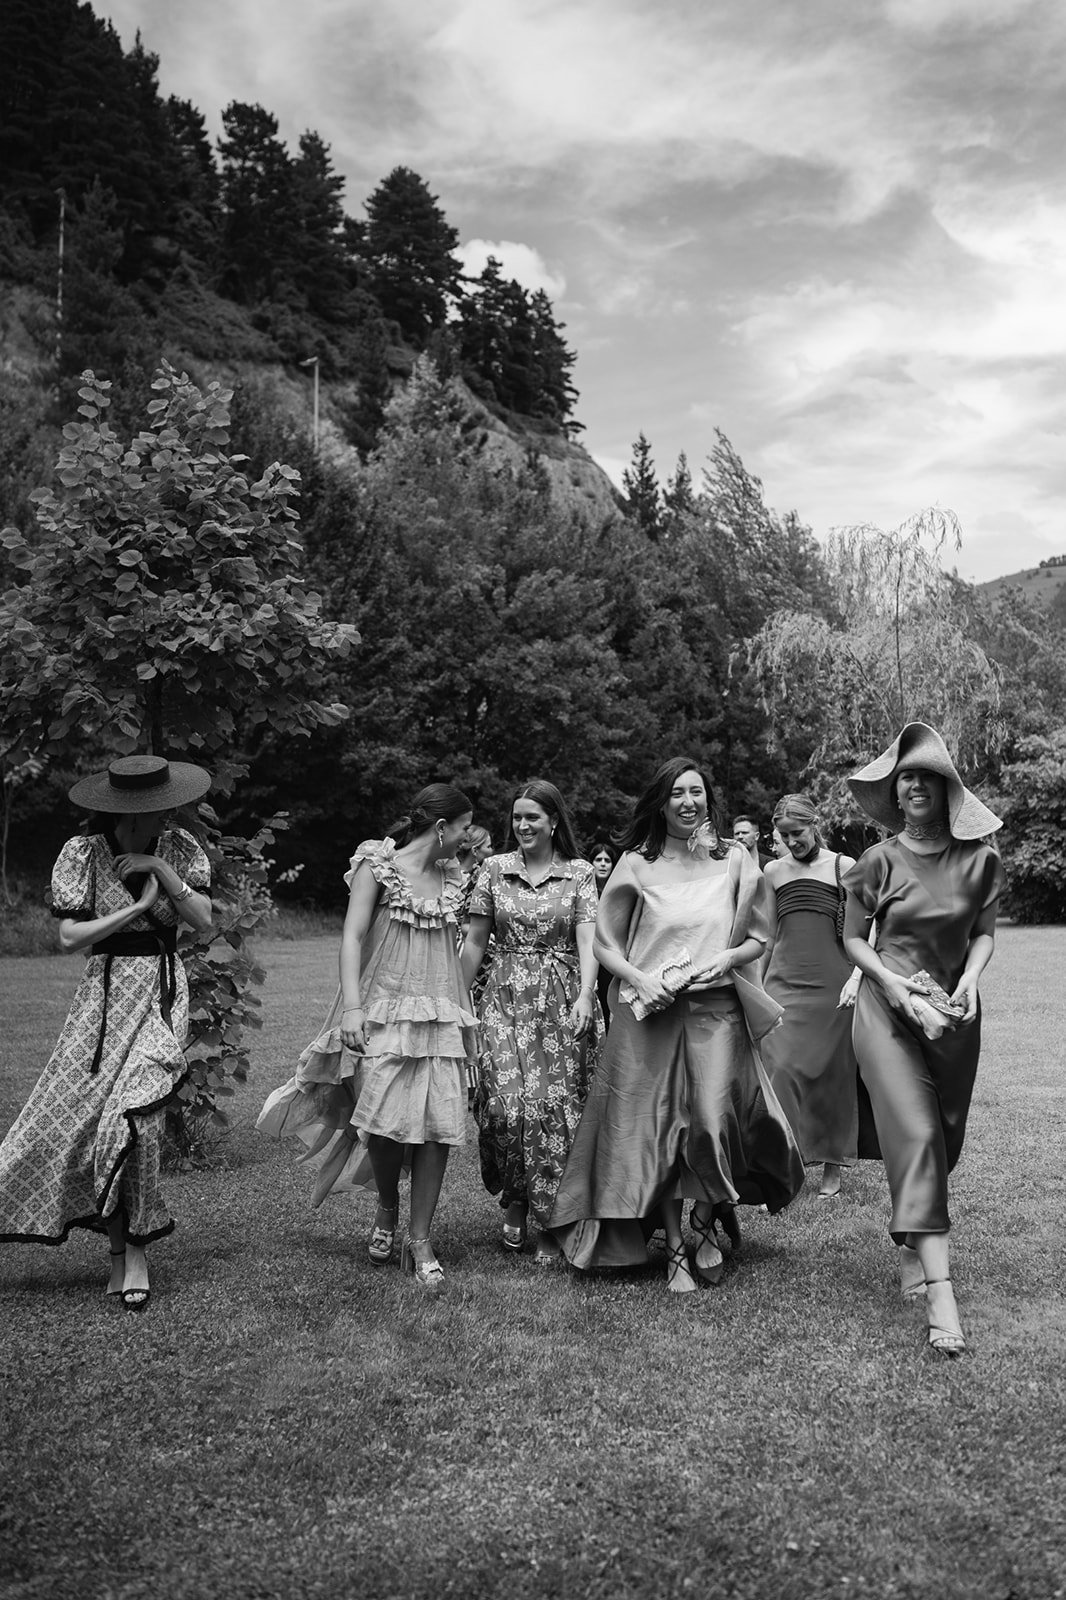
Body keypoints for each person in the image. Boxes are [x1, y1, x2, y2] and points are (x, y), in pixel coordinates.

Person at [549, 757, 804, 1292]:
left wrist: (731, 958)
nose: (689, 802)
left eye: (697, 792)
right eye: (677, 794)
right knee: (655, 1131)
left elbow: (761, 936)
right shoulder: (634, 864)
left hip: (716, 1011)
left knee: (713, 1121)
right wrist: (640, 980)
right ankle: (676, 1252)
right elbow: (604, 944)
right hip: (650, 1015)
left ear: (708, 798)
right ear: (660, 804)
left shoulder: (734, 859)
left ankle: (705, 1220)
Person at [0, 754, 213, 1311]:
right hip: (102, 999)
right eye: (153, 807)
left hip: (161, 999)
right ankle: (118, 1254)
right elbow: (71, 938)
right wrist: (138, 907)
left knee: (136, 1116)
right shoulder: (84, 853)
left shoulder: (183, 849)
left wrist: (160, 873)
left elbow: (206, 920)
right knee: (91, 1125)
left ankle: (136, 1251)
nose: (164, 813)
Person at [257, 784, 477, 1295]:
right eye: (465, 827)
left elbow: (452, 951)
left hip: (440, 1011)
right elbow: (352, 937)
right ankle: (387, 1204)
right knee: (379, 1120)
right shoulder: (377, 864)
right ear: (442, 827)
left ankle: (420, 1240)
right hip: (381, 1007)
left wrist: (464, 1016)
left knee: (439, 1125)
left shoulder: (451, 877)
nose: (468, 839)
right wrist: (353, 1008)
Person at [842, 723, 1004, 1357]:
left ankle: (913, 1237)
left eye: (923, 776)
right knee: (916, 1133)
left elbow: (984, 933)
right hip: (886, 1011)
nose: (911, 785)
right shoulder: (877, 861)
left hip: (955, 1016)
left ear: (945, 790)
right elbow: (854, 938)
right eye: (902, 776)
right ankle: (942, 1294)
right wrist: (886, 980)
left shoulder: (981, 860)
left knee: (944, 1138)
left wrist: (968, 980)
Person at [461, 781, 600, 1263]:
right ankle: (517, 1197)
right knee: (503, 1105)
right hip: (503, 996)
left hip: (562, 998)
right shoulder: (494, 870)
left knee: (553, 1108)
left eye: (532, 818)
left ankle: (550, 1218)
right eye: (517, 817)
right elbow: (476, 940)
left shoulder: (580, 873)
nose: (522, 825)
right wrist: (458, 1002)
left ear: (554, 821)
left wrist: (586, 994)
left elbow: (589, 940)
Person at [762, 794, 861, 1200]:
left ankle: (833, 1167)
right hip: (783, 981)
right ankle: (789, 1160)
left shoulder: (844, 867)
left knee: (833, 1075)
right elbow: (768, 935)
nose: (792, 841)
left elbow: (862, 932)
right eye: (784, 835)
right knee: (779, 1066)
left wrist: (856, 978)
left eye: (798, 833)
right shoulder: (772, 871)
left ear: (814, 824)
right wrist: (757, 986)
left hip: (832, 985)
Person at [589, 840, 620, 1026]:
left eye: (607, 860)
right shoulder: (584, 891)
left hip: (610, 954)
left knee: (609, 1004)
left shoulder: (618, 891)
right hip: (587, 953)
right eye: (598, 859)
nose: (602, 864)